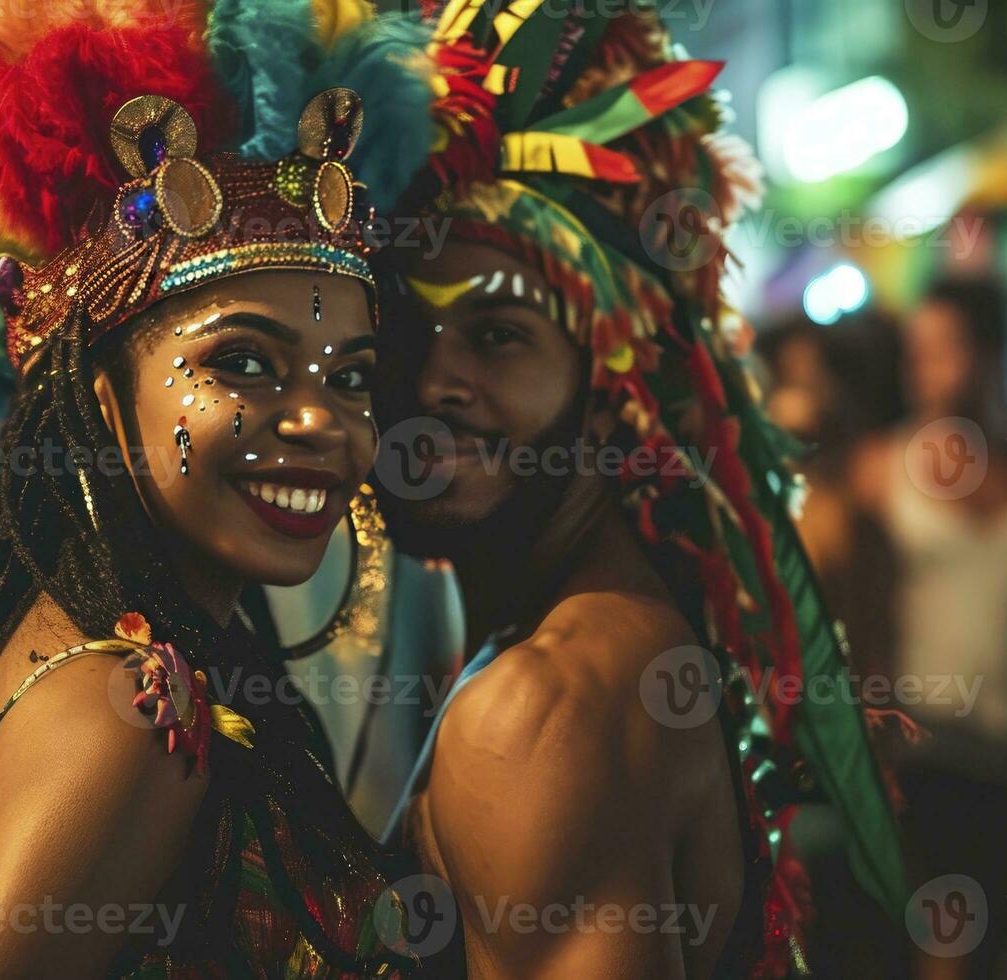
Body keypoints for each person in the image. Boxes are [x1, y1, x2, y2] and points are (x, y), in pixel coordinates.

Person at [0, 1, 438, 975]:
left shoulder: (111, 660)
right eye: (245, 362)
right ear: (96, 396)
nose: (323, 421)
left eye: (349, 375)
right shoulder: (130, 724)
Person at [372, 3, 905, 976]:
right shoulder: (587, 634)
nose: (427, 382)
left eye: (498, 334)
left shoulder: (545, 709)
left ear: (616, 394)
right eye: (406, 329)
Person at [852, 276, 1007, 980]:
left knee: (998, 944)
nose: (923, 367)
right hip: (926, 743)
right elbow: (865, 613)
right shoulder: (883, 469)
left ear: (990, 352)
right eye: (916, 350)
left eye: (942, 349)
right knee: (943, 945)